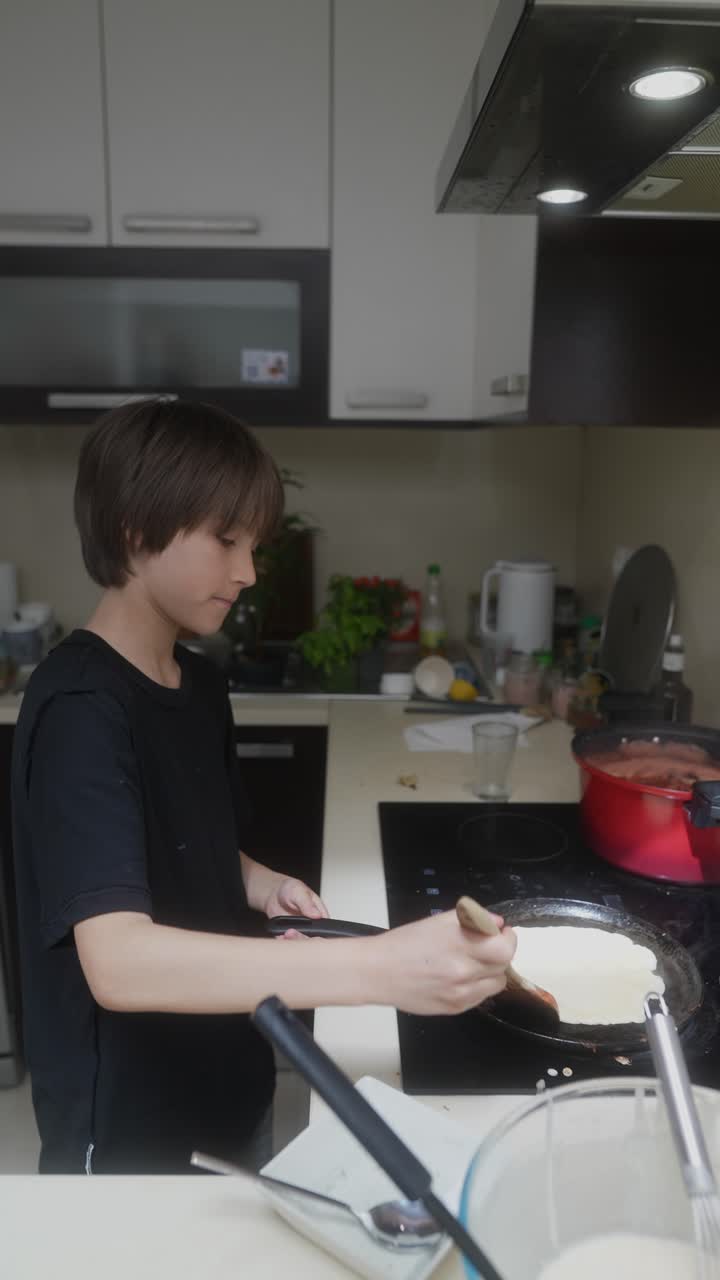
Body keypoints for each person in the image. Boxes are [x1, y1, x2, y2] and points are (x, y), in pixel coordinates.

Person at [11, 399, 516, 1175]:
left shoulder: (197, 681)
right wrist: (378, 968)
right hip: (126, 1125)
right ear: (134, 532)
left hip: (227, 1070)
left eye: (253, 544)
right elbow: (119, 963)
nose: (247, 571)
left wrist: (262, 882)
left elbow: (195, 840)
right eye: (225, 540)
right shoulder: (80, 708)